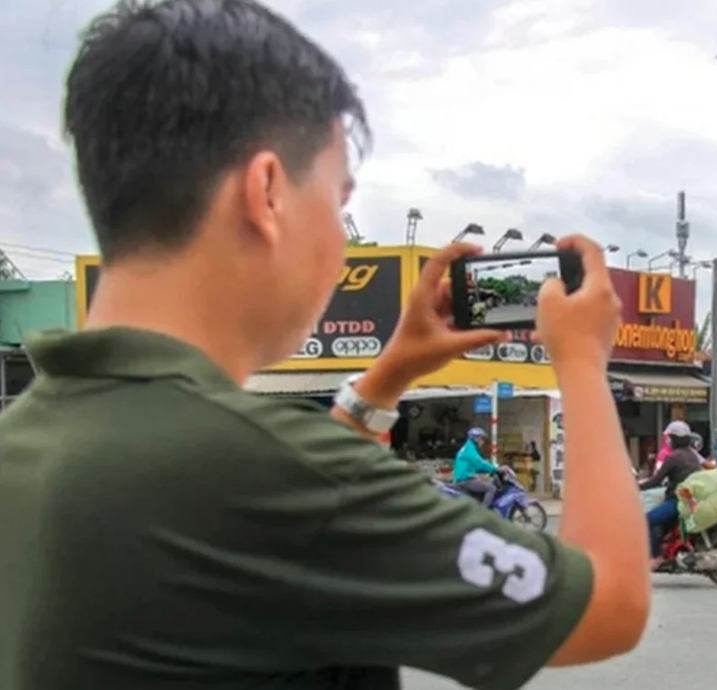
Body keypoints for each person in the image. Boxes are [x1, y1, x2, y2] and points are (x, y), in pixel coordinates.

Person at [0, 3, 650, 689]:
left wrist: (387, 378)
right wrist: (580, 362)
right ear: (268, 192)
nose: (342, 239)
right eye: (339, 203)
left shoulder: (28, 440)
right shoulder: (272, 470)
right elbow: (609, 603)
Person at [638, 421, 704, 570]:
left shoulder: (674, 457)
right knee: (661, 523)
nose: (668, 440)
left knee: (647, 519)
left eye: (670, 437)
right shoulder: (692, 455)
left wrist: (636, 487)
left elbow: (656, 480)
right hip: (690, 499)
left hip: (677, 501)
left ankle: (656, 556)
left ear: (676, 439)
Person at [453, 427, 498, 507]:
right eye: (481, 439)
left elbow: (477, 465)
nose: (482, 441)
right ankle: (483, 512)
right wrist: (495, 469)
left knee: (484, 482)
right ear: (476, 439)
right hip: (465, 479)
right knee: (491, 488)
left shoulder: (468, 447)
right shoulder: (470, 450)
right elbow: (480, 463)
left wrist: (487, 470)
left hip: (463, 478)